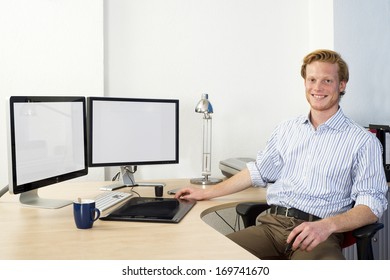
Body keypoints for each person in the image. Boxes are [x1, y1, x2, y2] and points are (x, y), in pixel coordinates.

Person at [175, 49, 388, 260]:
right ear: (304, 83)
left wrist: (327, 226)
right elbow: (257, 171)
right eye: (312, 79)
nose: (317, 87)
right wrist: (206, 192)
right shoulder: (287, 129)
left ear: (341, 85)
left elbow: (371, 206)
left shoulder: (362, 141)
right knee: (211, 260)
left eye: (327, 81)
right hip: (271, 227)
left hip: (318, 233)